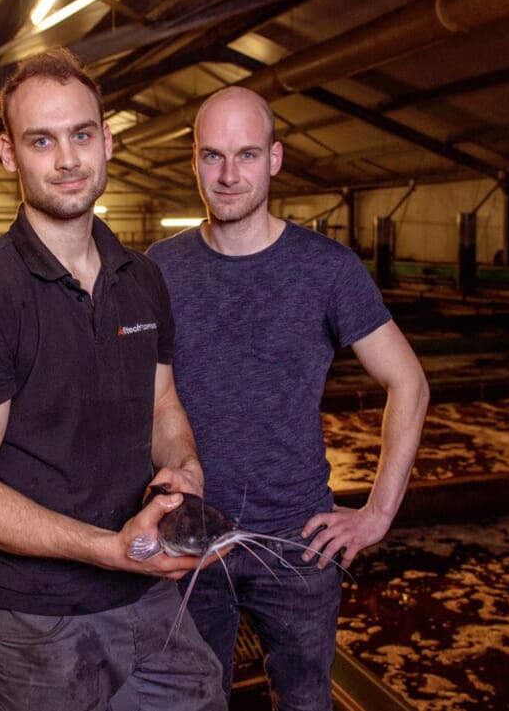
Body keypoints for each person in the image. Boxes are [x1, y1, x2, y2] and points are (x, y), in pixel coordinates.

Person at [0, 48, 225, 711]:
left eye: (81, 134)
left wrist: (183, 468)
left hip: (147, 596)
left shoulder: (142, 278)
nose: (66, 158)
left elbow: (163, 404)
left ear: (107, 140)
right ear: (9, 154)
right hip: (35, 619)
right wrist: (110, 550)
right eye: (41, 140)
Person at [146, 86, 430, 710]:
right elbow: (135, 393)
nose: (227, 174)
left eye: (246, 155)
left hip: (299, 541)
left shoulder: (326, 269)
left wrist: (378, 513)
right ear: (193, 161)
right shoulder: (157, 270)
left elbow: (409, 382)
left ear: (274, 159)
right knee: (190, 701)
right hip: (190, 537)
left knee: (305, 701)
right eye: (212, 155)